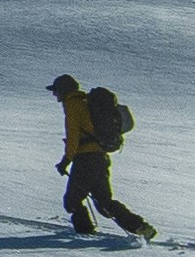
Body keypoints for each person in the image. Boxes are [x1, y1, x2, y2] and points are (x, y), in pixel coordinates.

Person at [49, 73, 153, 238]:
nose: (54, 94)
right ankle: (141, 227)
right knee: (104, 202)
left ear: (64, 90)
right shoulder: (84, 102)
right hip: (99, 158)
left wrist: (65, 161)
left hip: (85, 159)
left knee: (72, 201)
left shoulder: (73, 105)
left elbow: (73, 136)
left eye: (56, 91)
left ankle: (84, 235)